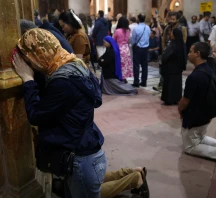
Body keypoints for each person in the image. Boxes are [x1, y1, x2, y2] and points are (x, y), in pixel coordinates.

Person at [12, 28, 106, 198]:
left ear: (39, 55)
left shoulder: (63, 83)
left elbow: (35, 115)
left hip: (82, 162)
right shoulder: (73, 65)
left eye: (30, 60)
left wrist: (28, 80)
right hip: (88, 156)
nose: (31, 65)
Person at [179, 42, 216, 161]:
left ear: (197, 54)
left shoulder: (195, 77)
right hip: (207, 114)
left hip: (195, 117)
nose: (189, 54)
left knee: (190, 147)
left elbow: (185, 101)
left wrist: (180, 111)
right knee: (200, 137)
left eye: (191, 51)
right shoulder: (209, 69)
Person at [160, 28, 186, 105]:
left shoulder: (172, 45)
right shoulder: (182, 44)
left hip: (170, 68)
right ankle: (176, 98)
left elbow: (165, 56)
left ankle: (169, 99)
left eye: (172, 33)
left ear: (175, 35)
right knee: (177, 84)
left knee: (169, 84)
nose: (170, 34)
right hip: (178, 69)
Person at [131, 13, 151, 88]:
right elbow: (148, 37)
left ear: (138, 19)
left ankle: (136, 81)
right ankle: (144, 81)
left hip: (138, 48)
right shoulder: (148, 27)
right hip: (145, 48)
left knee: (136, 65)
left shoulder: (136, 28)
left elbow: (133, 39)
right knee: (144, 65)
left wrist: (134, 45)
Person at [113, 17, 133, 82]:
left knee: (119, 64)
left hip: (119, 48)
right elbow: (129, 40)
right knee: (126, 64)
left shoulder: (117, 31)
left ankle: (119, 76)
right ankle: (125, 77)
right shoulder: (128, 30)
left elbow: (113, 40)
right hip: (126, 49)